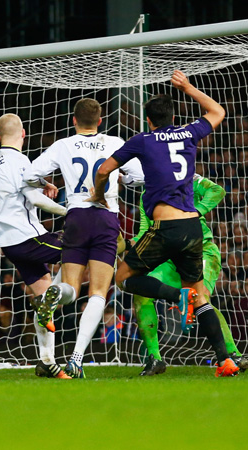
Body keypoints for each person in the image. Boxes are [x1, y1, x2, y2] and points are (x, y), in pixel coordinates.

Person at [89, 70, 238, 377]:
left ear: (148, 120)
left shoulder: (142, 140)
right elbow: (218, 112)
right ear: (173, 116)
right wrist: (187, 87)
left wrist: (100, 193)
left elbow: (104, 169)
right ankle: (226, 361)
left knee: (123, 277)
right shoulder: (187, 133)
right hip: (192, 229)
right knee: (201, 295)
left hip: (164, 228)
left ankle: (174, 297)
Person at [24, 98, 144, 379]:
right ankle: (76, 359)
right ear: (100, 120)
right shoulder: (115, 142)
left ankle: (55, 295)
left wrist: (47, 184)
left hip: (75, 216)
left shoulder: (63, 145)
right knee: (99, 293)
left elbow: (30, 175)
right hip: (105, 217)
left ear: (74, 120)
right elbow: (140, 176)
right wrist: (122, 179)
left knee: (71, 288)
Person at [126, 173, 248, 375]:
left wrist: (195, 212)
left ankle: (232, 354)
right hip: (168, 256)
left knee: (201, 298)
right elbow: (144, 230)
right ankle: (154, 358)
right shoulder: (147, 193)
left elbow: (217, 191)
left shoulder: (188, 179)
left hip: (201, 249)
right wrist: (129, 243)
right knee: (141, 291)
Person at [0, 113, 76, 379]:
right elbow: (34, 199)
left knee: (43, 291)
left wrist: (42, 182)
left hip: (9, 242)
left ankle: (47, 361)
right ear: (23, 134)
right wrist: (69, 212)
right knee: (82, 247)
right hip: (27, 236)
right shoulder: (20, 160)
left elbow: (23, 183)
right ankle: (56, 299)